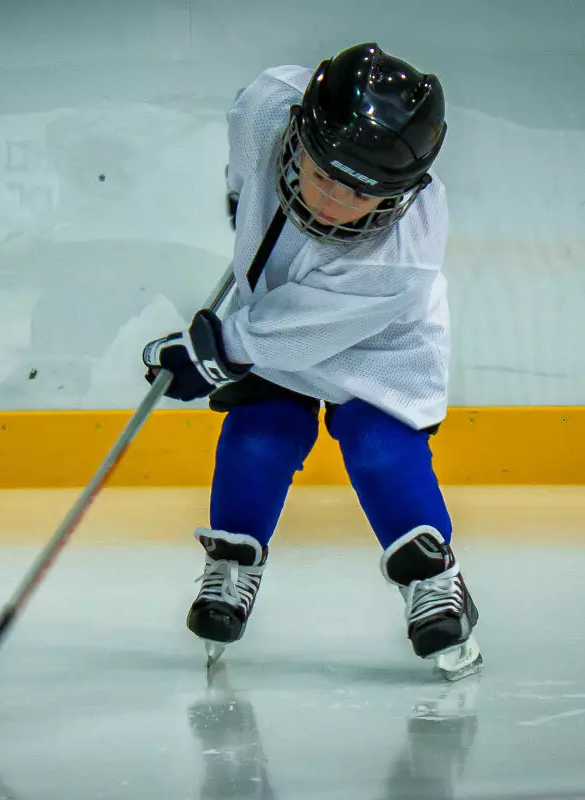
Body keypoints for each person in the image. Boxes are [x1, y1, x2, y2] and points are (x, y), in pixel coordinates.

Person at [142, 43, 481, 680]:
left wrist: (212, 353)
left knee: (379, 446)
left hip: (379, 347)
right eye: (322, 175)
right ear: (299, 133)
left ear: (402, 192)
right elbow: (244, 175)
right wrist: (241, 202)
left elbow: (289, 334)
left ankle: (433, 579)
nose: (329, 204)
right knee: (260, 433)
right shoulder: (268, 107)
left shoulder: (400, 259)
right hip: (273, 310)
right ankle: (232, 565)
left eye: (358, 194)